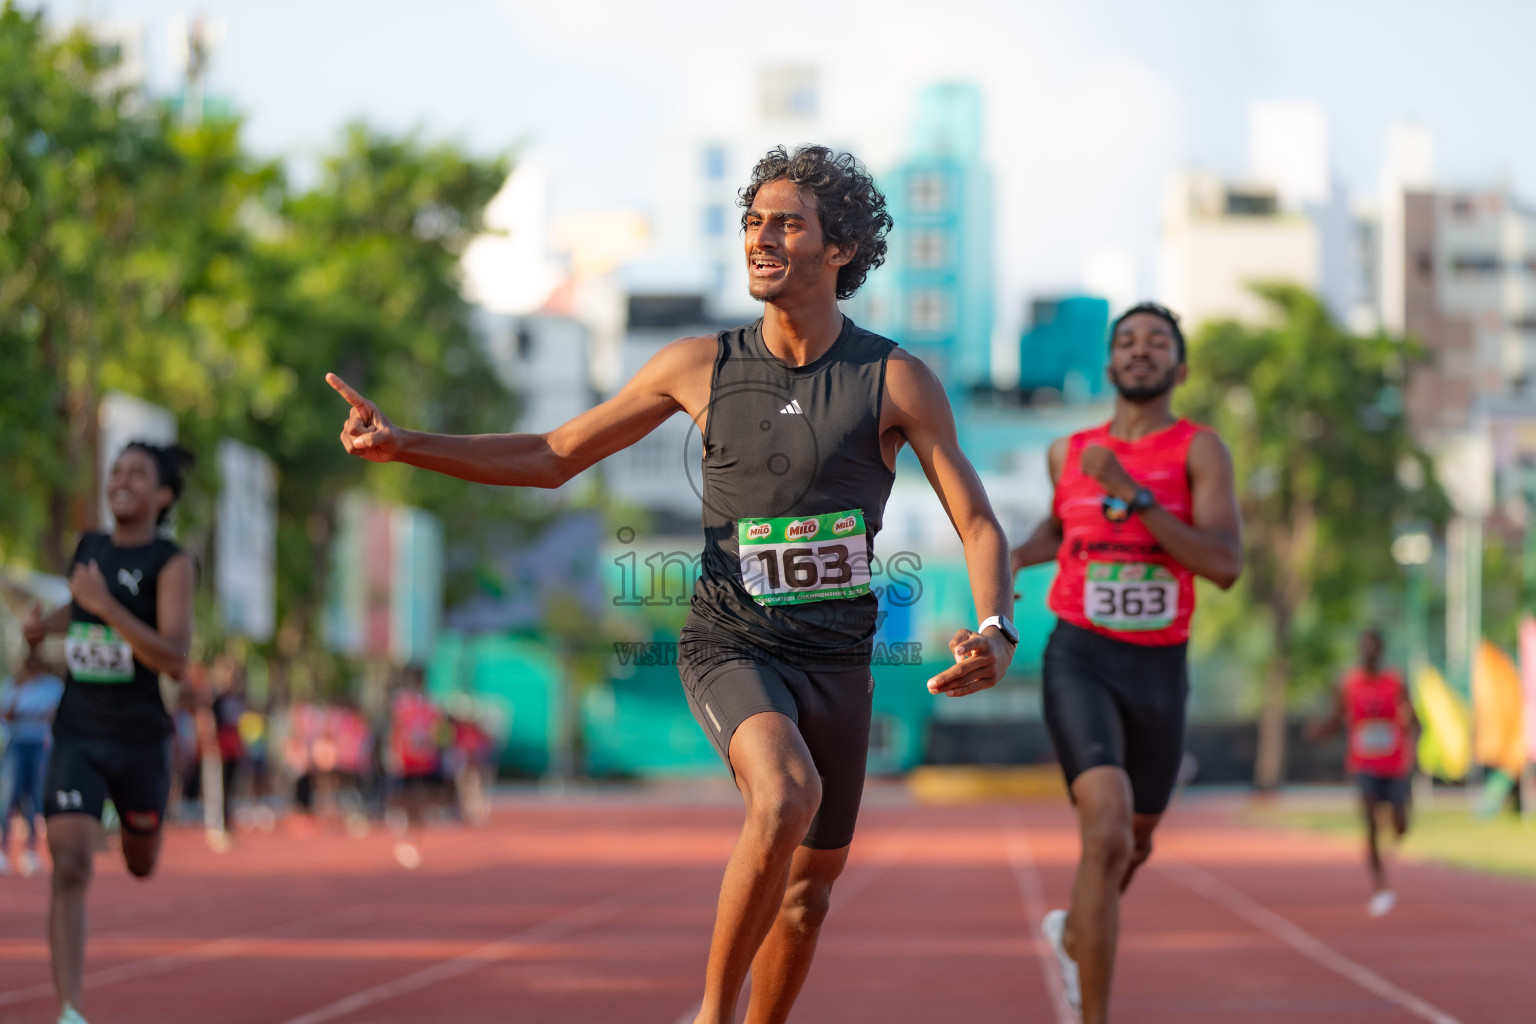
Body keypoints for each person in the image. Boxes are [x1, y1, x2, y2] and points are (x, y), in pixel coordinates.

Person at [328, 144, 1017, 1024]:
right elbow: (552, 457)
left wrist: (994, 624)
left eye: (787, 223)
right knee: (784, 795)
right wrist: (405, 443)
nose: (760, 239)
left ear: (839, 248)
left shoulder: (893, 378)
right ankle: (710, 1015)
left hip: (839, 662)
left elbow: (978, 521)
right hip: (732, 641)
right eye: (752, 222)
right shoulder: (699, 366)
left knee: (808, 897)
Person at [1009, 303, 1242, 1024]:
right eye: (1128, 343)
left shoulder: (1200, 450)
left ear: (1180, 368)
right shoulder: (1067, 452)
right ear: (1110, 365)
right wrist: (1009, 561)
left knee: (1130, 846)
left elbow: (1223, 564)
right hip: (1081, 654)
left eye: (1158, 343)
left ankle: (1075, 933)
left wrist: (1135, 496)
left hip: (1159, 669)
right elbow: (1058, 528)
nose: (1141, 352)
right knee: (1103, 831)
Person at [23, 441, 195, 1024]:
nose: (120, 480)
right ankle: (70, 1010)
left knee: (141, 863)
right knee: (69, 864)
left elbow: (173, 658)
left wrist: (105, 602)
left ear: (163, 494)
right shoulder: (89, 548)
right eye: (116, 470)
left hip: (142, 740)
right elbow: (81, 612)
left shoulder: (172, 563)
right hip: (78, 732)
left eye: (136, 474)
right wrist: (43, 627)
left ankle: (138, 823)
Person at [1309, 627, 1417, 916]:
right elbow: (1334, 721)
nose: (1367, 651)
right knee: (1369, 823)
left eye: (1372, 646)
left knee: (1400, 823)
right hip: (1364, 765)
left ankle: (1399, 823)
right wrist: (1319, 732)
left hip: (1394, 765)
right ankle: (1381, 888)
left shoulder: (1396, 682)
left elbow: (1414, 720)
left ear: (1381, 650)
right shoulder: (1348, 684)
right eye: (1363, 645)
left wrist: (1413, 750)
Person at [0, 651, 65, 877]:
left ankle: (30, 852)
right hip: (16, 744)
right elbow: (6, 714)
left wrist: (26, 715)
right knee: (9, 797)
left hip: (40, 746)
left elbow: (52, 716)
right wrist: (19, 693)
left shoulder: (52, 686)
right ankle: (3, 850)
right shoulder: (13, 684)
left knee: (34, 798)